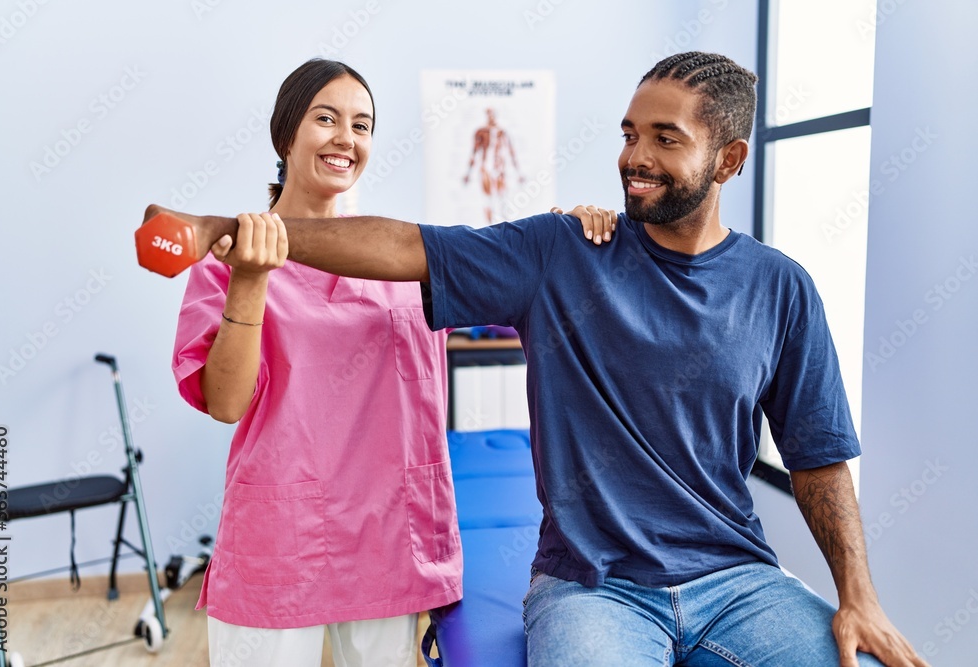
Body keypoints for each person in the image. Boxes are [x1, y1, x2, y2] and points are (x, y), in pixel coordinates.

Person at [159, 52, 927, 666]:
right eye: (630, 133)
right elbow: (403, 247)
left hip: (726, 577)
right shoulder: (561, 250)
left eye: (665, 139)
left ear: (728, 160)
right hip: (587, 586)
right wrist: (226, 234)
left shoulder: (780, 286)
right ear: (285, 133)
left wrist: (858, 593)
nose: (635, 156)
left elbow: (820, 459)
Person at [170, 57, 608, 667]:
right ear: (285, 135)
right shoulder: (227, 259)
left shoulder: (402, 260)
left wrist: (565, 238)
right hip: (282, 538)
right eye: (326, 119)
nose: (346, 138)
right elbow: (225, 402)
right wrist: (251, 280)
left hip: (387, 535)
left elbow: (527, 281)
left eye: (362, 124)